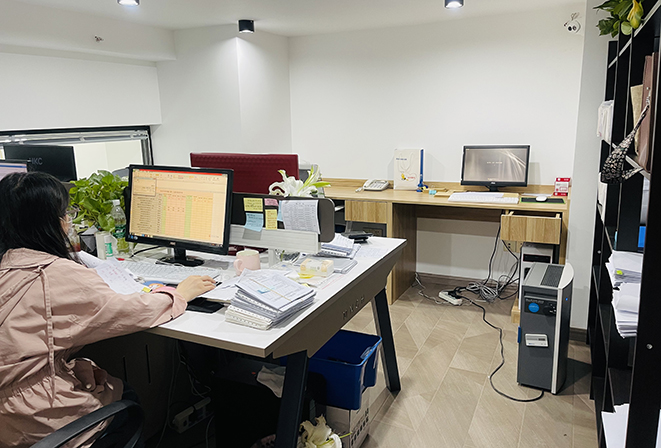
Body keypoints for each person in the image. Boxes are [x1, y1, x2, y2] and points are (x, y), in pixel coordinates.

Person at [0, 172, 216, 448]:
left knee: (100, 375)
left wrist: (70, 366)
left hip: (11, 414)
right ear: (50, 223)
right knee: (125, 395)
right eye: (66, 213)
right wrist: (179, 294)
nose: (69, 221)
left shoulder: (9, 264)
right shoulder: (53, 274)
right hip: (35, 420)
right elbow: (129, 311)